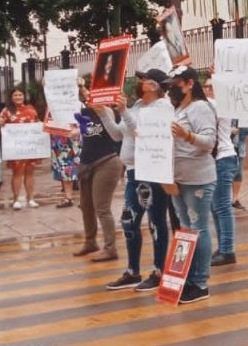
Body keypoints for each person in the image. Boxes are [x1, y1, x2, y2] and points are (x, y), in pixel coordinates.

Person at [105, 69, 173, 292]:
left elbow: (141, 133)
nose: (139, 82)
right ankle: (133, 271)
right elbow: (118, 134)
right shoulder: (137, 107)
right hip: (133, 172)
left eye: (144, 79)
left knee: (155, 222)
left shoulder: (162, 107)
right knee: (128, 221)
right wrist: (103, 113)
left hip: (152, 170)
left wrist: (124, 111)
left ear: (154, 85)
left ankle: (159, 270)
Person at [163, 66, 217, 304]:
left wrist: (186, 135)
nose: (172, 87)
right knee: (185, 229)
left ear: (189, 84)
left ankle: (200, 282)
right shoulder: (177, 109)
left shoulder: (200, 108)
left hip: (198, 179)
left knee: (198, 228)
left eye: (177, 82)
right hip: (178, 178)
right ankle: (184, 278)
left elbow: (209, 142)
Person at [71, 83, 122, 262]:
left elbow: (114, 132)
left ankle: (110, 248)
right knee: (86, 206)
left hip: (106, 162)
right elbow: (84, 134)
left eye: (91, 93)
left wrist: (100, 108)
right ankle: (90, 241)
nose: (87, 96)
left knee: (102, 207)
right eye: (85, 93)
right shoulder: (83, 113)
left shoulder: (106, 111)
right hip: (87, 164)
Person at [202, 76, 239, 267]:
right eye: (205, 86)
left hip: (223, 158)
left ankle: (227, 250)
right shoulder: (210, 105)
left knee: (222, 207)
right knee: (215, 207)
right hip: (216, 159)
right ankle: (223, 248)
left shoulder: (218, 106)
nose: (207, 89)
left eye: (211, 86)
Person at [0, 88, 41, 210]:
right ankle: (16, 199)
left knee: (30, 172)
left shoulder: (31, 109)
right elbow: (0, 122)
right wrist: (0, 122)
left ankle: (30, 198)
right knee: (17, 173)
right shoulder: (6, 111)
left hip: (31, 147)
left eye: (20, 95)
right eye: (15, 95)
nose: (18, 97)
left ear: (24, 96)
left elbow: (37, 123)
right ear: (11, 97)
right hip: (16, 148)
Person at [231, 125, 248, 211]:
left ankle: (235, 199)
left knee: (238, 174)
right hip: (225, 148)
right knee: (224, 174)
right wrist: (230, 131)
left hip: (240, 149)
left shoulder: (244, 117)